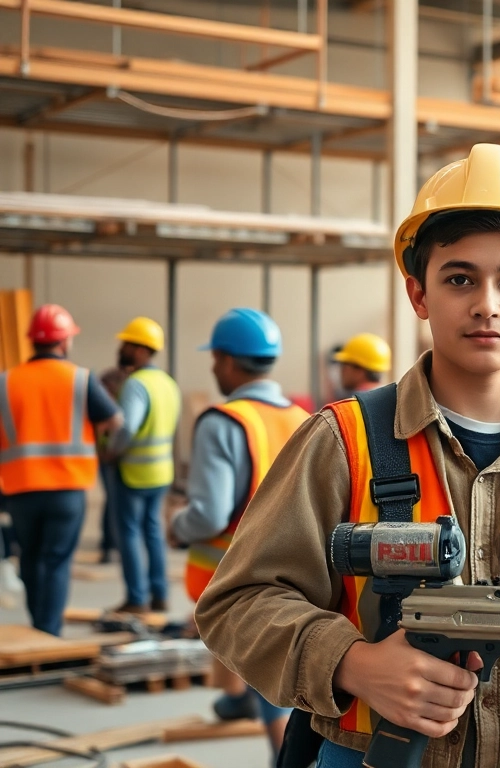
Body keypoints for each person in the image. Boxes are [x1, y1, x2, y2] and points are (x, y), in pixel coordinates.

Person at [195, 144, 500, 768]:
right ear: (419, 294)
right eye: (459, 278)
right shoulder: (344, 441)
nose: (487, 304)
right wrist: (353, 663)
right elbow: (236, 603)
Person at [168, 308, 309, 755]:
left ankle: (280, 756)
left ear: (228, 361)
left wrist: (176, 527)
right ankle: (235, 699)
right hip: (300, 561)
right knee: (274, 651)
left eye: (214, 359)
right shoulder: (305, 418)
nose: (212, 368)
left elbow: (209, 514)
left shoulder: (223, 421)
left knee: (264, 658)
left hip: (239, 567)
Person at [0, 305, 122, 635]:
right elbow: (115, 419)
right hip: (67, 489)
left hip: (20, 489)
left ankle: (39, 623)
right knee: (56, 561)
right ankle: (48, 630)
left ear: (32, 342)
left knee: (29, 557)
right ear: (65, 341)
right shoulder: (81, 379)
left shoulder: (6, 382)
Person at [106, 317, 181, 614]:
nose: (121, 349)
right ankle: (160, 595)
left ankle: (136, 598)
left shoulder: (136, 385)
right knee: (152, 532)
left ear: (140, 350)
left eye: (126, 344)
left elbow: (127, 428)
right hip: (161, 472)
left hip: (134, 472)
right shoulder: (167, 383)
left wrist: (112, 451)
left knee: (129, 534)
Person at [96, 365, 130, 564]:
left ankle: (110, 544)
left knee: (113, 502)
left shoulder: (120, 403)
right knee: (112, 501)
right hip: (108, 457)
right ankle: (109, 544)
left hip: (114, 456)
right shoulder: (111, 405)